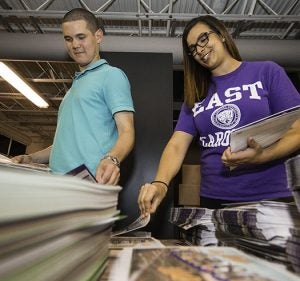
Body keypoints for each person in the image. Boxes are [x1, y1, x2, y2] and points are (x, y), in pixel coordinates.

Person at [138, 15, 300, 216]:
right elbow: (177, 145)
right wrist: (160, 183)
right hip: (214, 200)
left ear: (222, 35)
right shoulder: (197, 94)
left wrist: (262, 156)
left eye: (203, 39)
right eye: (192, 49)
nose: (199, 50)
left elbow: (297, 130)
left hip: (270, 196)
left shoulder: (266, 72)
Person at [12, 8, 135, 185]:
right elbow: (62, 146)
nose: (75, 44)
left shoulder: (111, 75)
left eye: (81, 37)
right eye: (68, 39)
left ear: (98, 36)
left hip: (88, 185)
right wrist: (31, 158)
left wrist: (112, 158)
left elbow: (127, 131)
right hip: (59, 184)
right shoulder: (74, 88)